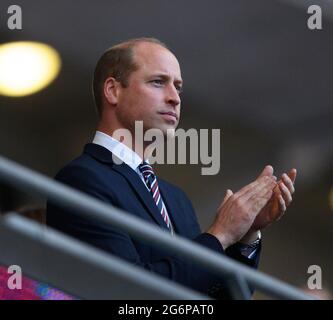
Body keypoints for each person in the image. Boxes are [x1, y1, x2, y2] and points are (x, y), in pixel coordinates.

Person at [46, 38, 296, 298]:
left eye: (178, 87)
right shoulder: (82, 179)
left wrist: (245, 234)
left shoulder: (177, 199)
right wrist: (220, 235)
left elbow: (210, 298)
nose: (174, 98)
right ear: (113, 90)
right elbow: (127, 293)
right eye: (158, 82)